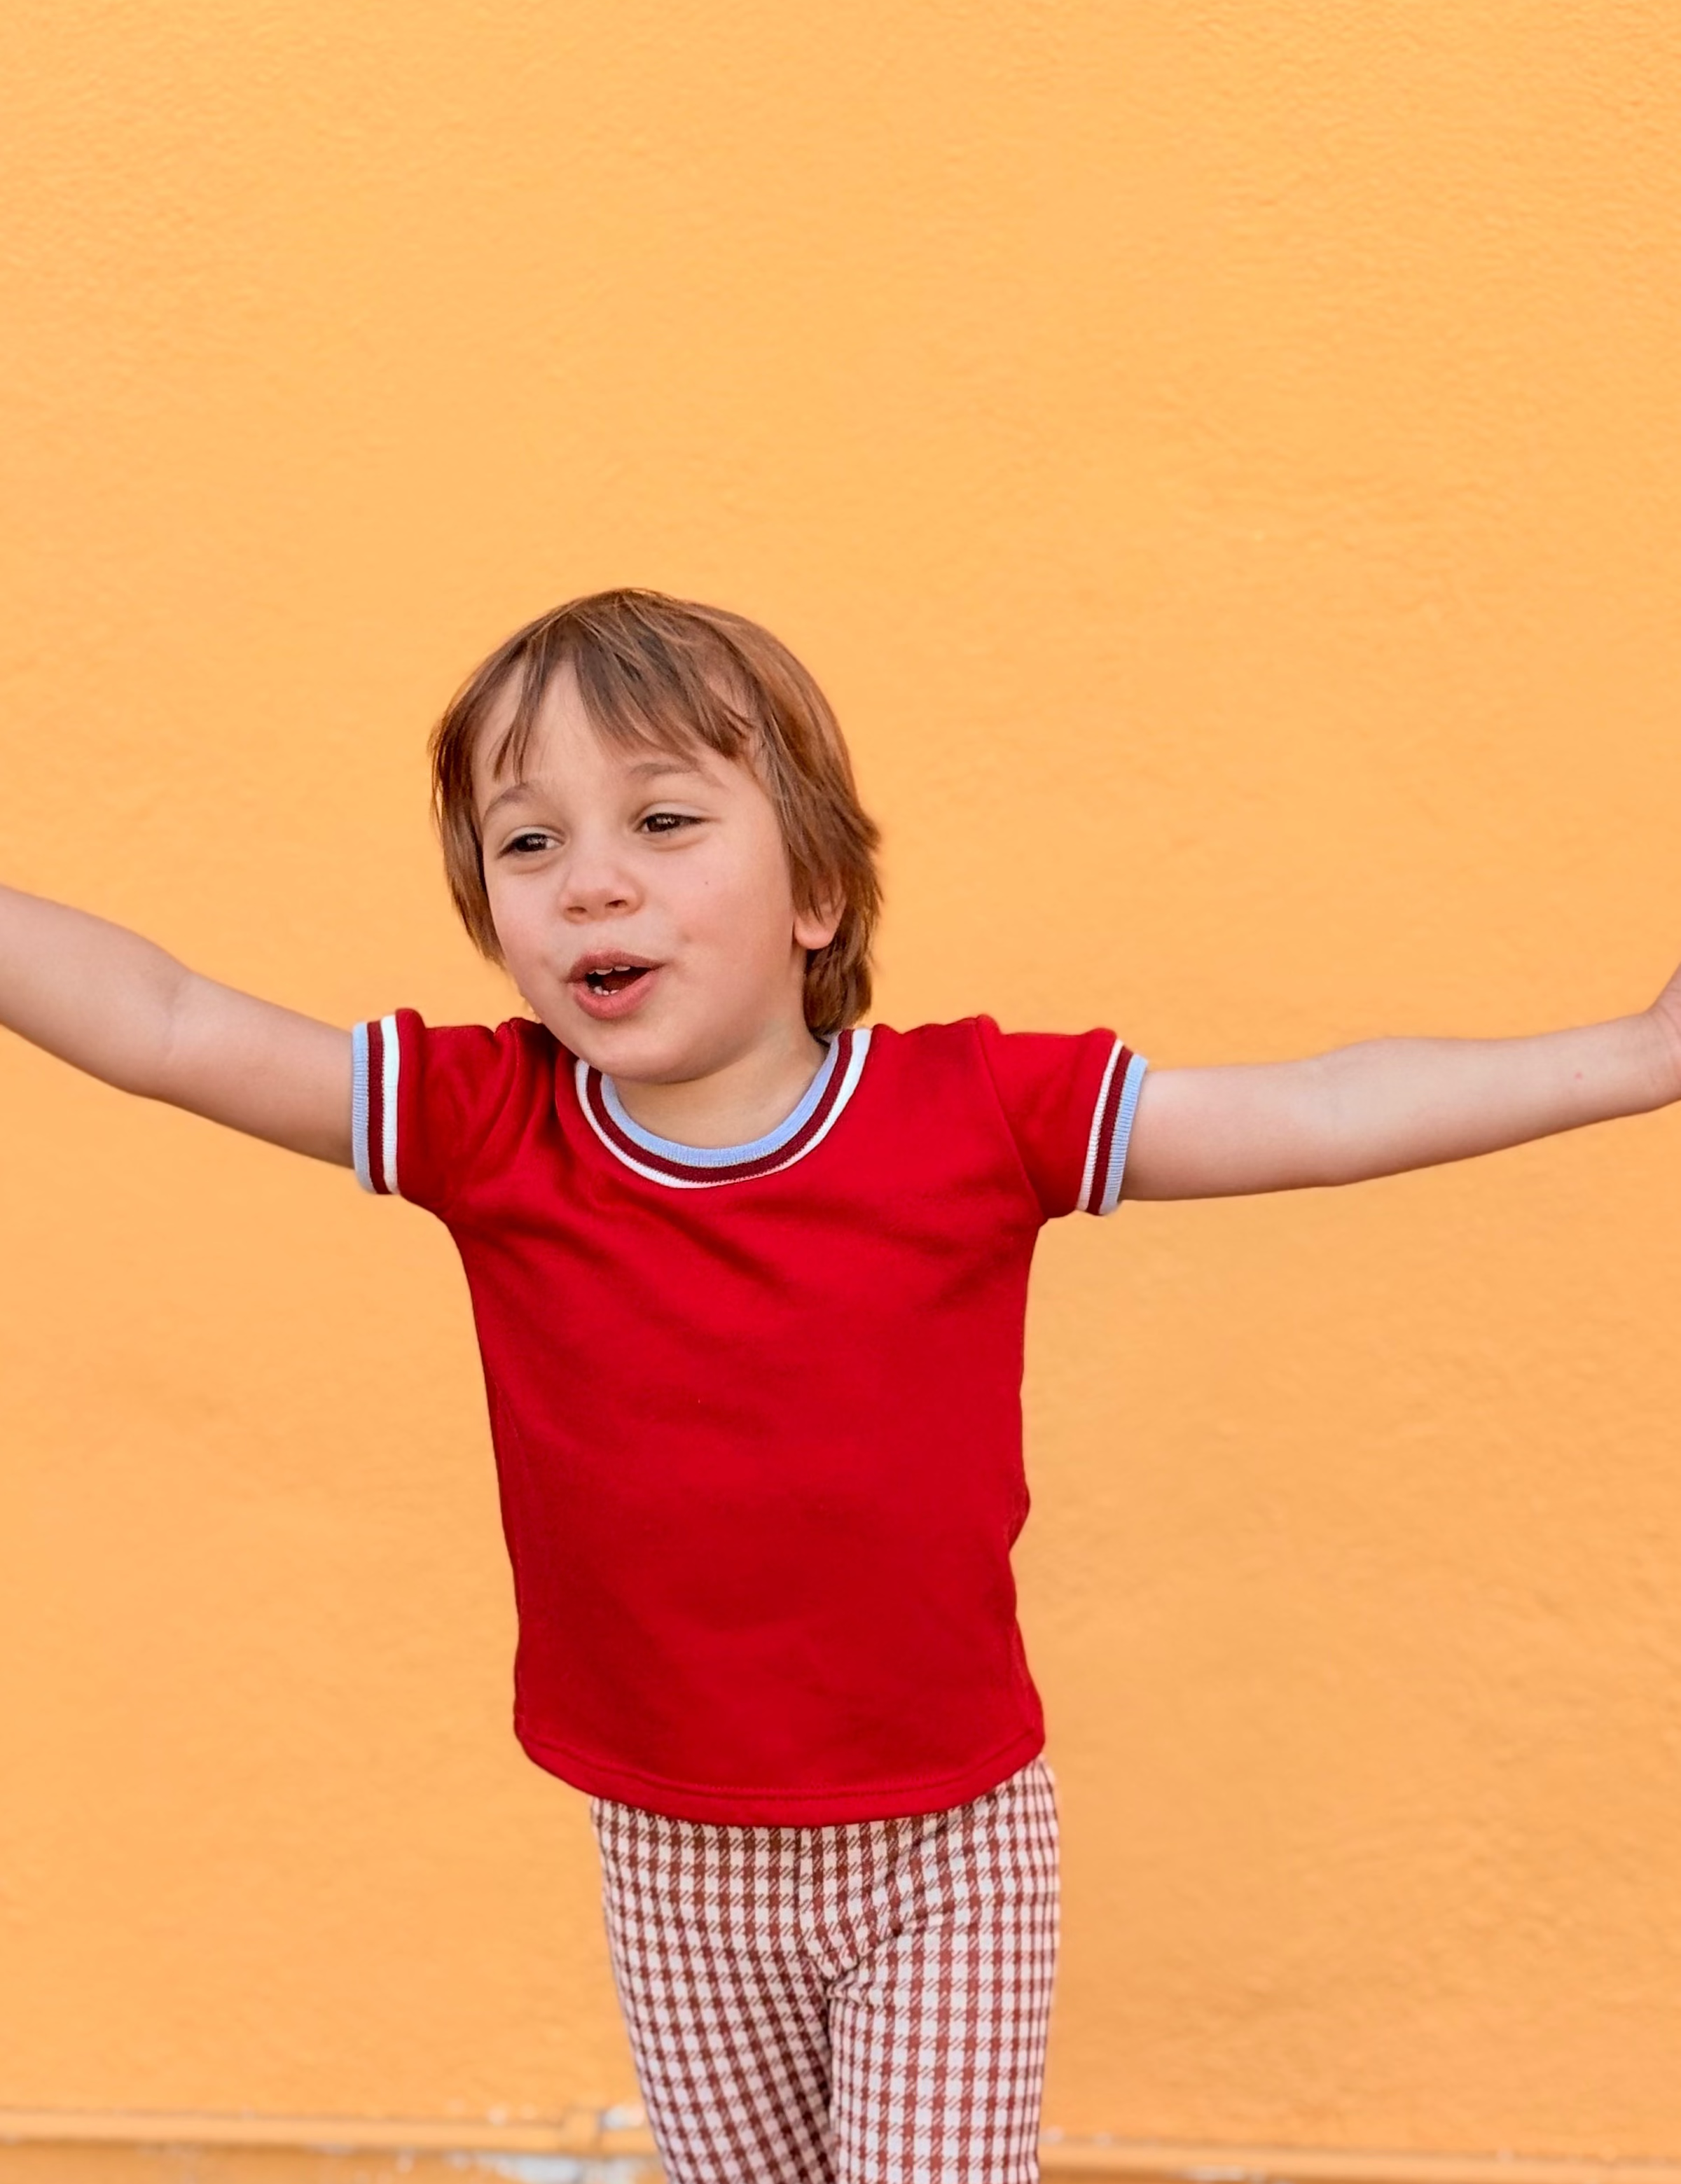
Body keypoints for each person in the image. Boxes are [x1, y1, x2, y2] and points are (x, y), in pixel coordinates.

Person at [2, 587, 1676, 2184]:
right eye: (531, 842)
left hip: (944, 1844)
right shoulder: (489, 1125)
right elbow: (162, 1018)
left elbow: (1314, 1113)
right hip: (667, 1848)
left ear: (816, 890)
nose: (591, 880)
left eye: (663, 821)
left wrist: (1635, 1056)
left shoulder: (975, 1113)